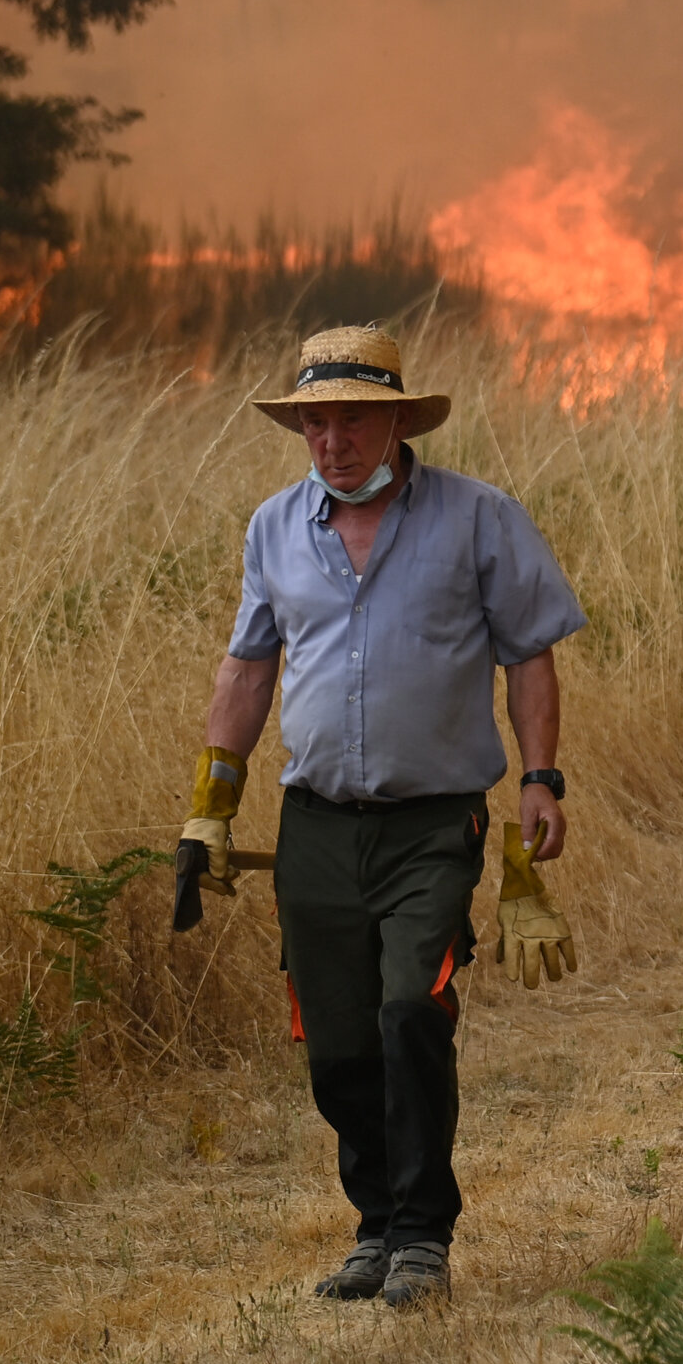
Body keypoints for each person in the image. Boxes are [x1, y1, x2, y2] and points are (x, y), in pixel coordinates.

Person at [176, 326, 586, 1308]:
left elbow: (529, 650)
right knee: (337, 1037)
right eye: (315, 420)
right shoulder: (273, 527)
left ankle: (421, 1233)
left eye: (352, 417)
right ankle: (372, 1223)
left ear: (398, 418)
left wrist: (542, 777)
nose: (332, 438)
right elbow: (247, 667)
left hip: (433, 821)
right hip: (315, 822)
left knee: (413, 1008)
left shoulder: (478, 518)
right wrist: (209, 808)